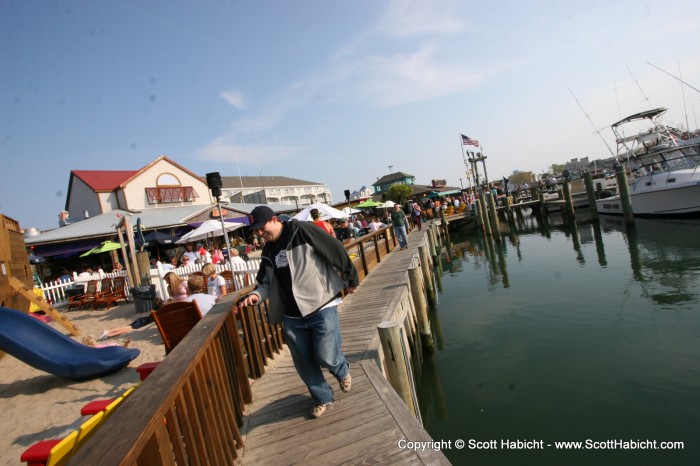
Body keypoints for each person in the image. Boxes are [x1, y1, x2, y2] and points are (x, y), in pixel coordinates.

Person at [239, 205, 359, 419]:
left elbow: (335, 249)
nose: (259, 233)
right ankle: (323, 397)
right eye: (255, 231)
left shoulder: (300, 230)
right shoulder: (268, 251)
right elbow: (265, 282)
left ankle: (341, 369)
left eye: (261, 227)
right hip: (292, 315)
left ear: (274, 219)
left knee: (326, 354)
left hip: (321, 303)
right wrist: (256, 295)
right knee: (304, 362)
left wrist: (351, 277)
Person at [97, 298, 165, 340]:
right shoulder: (160, 311)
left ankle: (108, 331)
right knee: (127, 329)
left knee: (127, 327)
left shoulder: (154, 310)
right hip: (143, 322)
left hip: (142, 319)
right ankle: (108, 335)